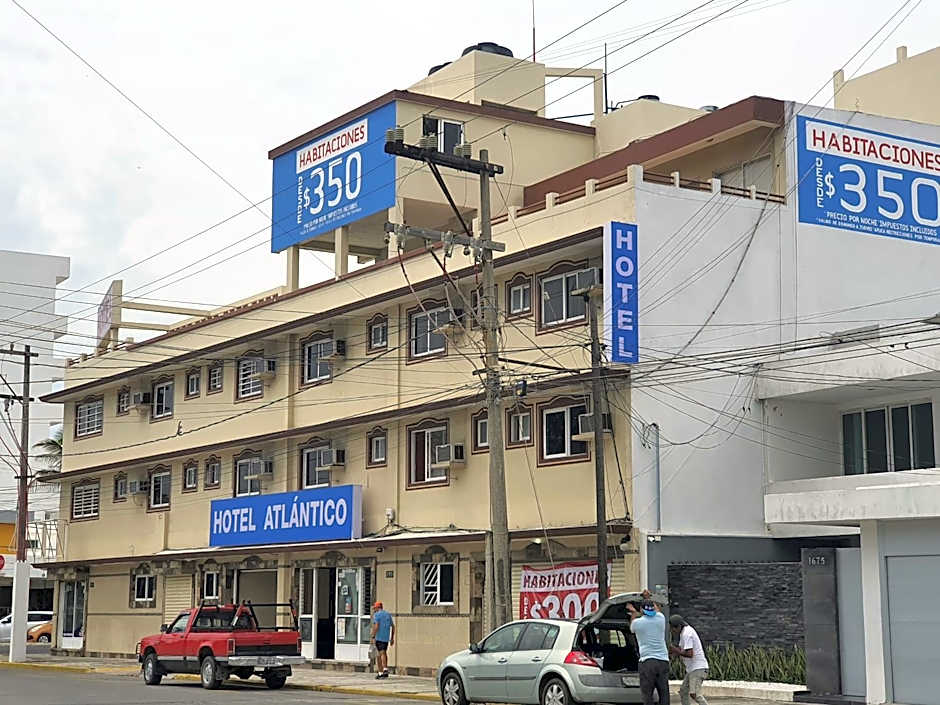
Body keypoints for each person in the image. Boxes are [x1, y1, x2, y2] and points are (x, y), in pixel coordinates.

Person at [627, 599, 670, 705]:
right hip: (663, 661)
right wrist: (649, 598)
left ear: (642, 610)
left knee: (647, 694)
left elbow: (631, 628)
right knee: (664, 692)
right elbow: (657, 609)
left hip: (647, 662)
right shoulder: (661, 618)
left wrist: (633, 612)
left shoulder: (638, 623)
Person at [669, 615, 709, 705]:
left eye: (673, 629)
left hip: (698, 668)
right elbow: (680, 649)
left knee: (695, 694)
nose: (672, 631)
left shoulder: (687, 633)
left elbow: (690, 654)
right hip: (692, 669)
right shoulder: (683, 633)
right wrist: (671, 654)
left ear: (679, 626)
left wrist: (675, 650)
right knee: (683, 691)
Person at [370, 601, 395, 679]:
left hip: (379, 637)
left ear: (378, 608)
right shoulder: (388, 615)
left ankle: (384, 669)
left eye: (375, 608)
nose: (374, 610)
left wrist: (373, 636)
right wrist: (392, 638)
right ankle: (381, 672)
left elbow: (376, 626)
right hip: (386, 638)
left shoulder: (377, 615)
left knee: (381, 653)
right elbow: (393, 627)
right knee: (381, 654)